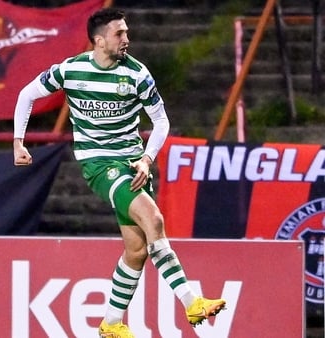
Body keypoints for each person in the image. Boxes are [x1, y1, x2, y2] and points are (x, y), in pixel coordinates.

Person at [13, 7, 226, 338]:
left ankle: (111, 324)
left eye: (126, 32)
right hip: (100, 165)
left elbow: (161, 121)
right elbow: (27, 94)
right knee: (154, 220)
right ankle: (192, 301)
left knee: (138, 251)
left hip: (133, 164)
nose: (127, 39)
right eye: (119, 34)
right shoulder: (71, 70)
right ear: (99, 41)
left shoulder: (137, 74)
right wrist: (18, 141)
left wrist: (146, 159)